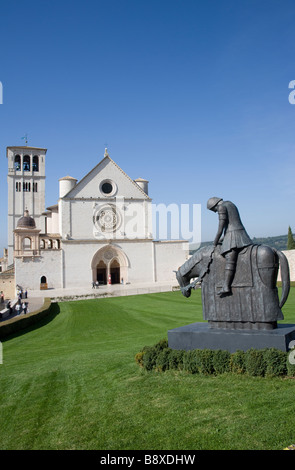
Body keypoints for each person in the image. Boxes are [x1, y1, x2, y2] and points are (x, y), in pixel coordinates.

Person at [207, 197, 252, 296]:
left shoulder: (221, 207)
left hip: (234, 236)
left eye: (213, 210)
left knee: (229, 257)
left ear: (215, 205)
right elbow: (232, 224)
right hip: (240, 233)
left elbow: (221, 227)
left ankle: (226, 285)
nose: (214, 211)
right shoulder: (231, 204)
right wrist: (222, 239)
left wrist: (215, 242)